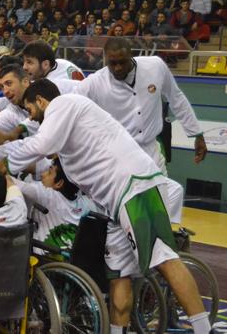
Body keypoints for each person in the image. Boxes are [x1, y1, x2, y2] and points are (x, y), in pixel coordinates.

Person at [0, 79, 214, 334]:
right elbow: (34, 146)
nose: (32, 119)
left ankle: (203, 329)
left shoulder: (64, 104)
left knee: (164, 259)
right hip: (113, 205)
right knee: (119, 274)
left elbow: (41, 145)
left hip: (135, 187)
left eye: (30, 111)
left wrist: (3, 165)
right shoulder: (68, 128)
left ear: (40, 101)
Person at [75, 37, 206, 223]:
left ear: (131, 56)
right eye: (113, 63)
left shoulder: (155, 67)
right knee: (125, 207)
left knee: (166, 198)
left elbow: (176, 97)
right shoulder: (95, 83)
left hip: (151, 150)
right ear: (105, 59)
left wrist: (197, 134)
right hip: (119, 156)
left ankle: (162, 241)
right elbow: (68, 104)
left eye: (122, 62)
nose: (118, 68)